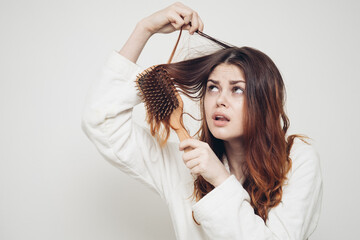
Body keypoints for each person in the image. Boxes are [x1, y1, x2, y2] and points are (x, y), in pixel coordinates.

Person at [81, 2, 323, 240]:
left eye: (237, 90)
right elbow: (101, 120)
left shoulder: (296, 160)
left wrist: (219, 177)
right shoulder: (183, 163)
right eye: (213, 88)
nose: (220, 100)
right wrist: (145, 28)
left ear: (263, 101)